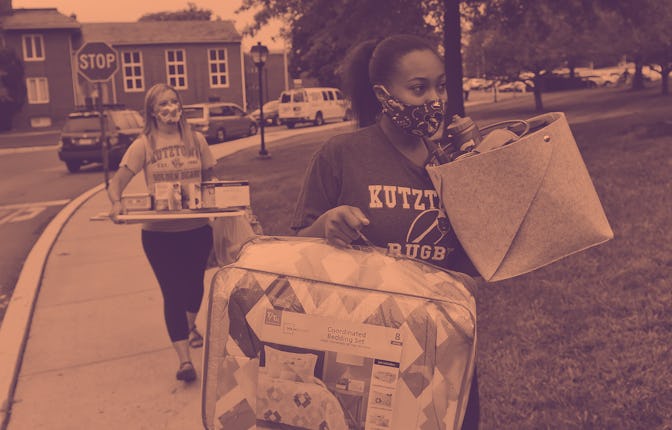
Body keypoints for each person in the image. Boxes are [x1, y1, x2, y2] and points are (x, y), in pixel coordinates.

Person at [290, 35, 480, 428]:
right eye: (418, 88)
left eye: (440, 86)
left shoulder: (453, 158)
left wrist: (477, 164)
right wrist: (326, 226)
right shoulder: (340, 154)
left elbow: (481, 259)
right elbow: (293, 253)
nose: (434, 99)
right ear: (383, 94)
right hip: (362, 349)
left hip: (442, 347)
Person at [107, 83, 216, 383]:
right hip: (158, 235)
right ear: (152, 112)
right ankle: (184, 361)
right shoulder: (143, 145)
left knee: (195, 288)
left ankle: (189, 325)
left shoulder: (197, 141)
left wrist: (225, 207)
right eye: (163, 103)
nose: (170, 107)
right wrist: (116, 204)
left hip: (196, 230)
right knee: (172, 293)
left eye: (174, 101)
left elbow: (210, 181)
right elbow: (116, 183)